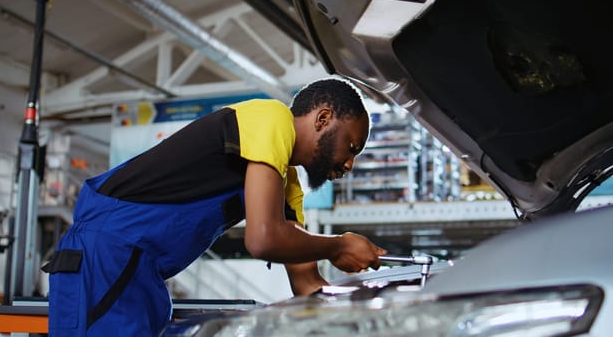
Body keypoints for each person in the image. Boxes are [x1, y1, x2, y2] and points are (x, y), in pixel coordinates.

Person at [44, 77, 386, 336]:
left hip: (141, 271)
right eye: (351, 146)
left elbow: (308, 283)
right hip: (103, 256)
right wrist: (339, 245)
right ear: (323, 119)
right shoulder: (272, 118)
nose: (349, 164)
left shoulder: (286, 185)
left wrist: (372, 306)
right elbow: (263, 239)